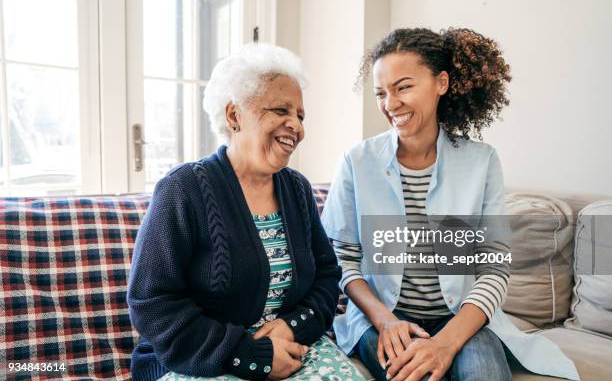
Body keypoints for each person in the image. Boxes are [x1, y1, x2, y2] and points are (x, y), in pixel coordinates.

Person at [321, 28, 579, 381]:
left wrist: (446, 343)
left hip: (460, 318)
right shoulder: (357, 161)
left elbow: (493, 268)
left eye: (404, 87)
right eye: (381, 93)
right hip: (383, 318)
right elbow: (342, 259)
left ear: (441, 83)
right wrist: (385, 321)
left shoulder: (481, 161)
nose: (390, 103)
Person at [127, 43, 365, 381]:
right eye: (281, 110)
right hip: (202, 357)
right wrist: (251, 356)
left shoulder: (297, 190)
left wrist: (290, 326)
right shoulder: (183, 189)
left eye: (299, 115)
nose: (295, 126)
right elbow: (152, 302)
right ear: (234, 115)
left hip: (291, 347)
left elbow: (327, 275)